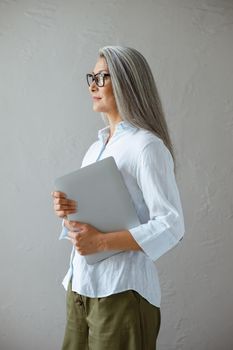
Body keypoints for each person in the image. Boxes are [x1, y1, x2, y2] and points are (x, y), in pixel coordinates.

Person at [51, 46, 185, 350]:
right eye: (91, 77)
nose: (92, 85)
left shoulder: (146, 146)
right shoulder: (96, 147)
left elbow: (171, 225)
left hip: (121, 292)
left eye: (102, 77)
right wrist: (66, 210)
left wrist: (100, 243)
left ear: (127, 82)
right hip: (80, 288)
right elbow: (97, 215)